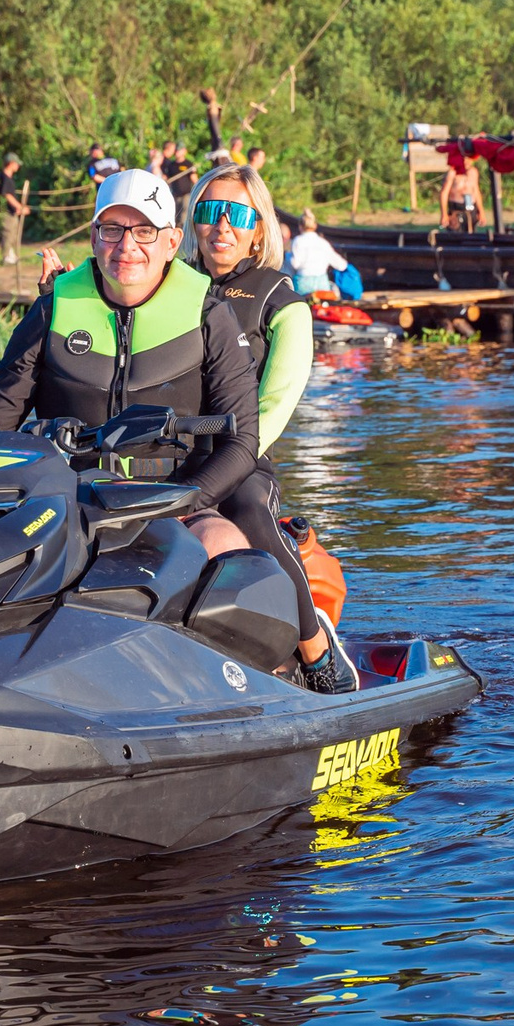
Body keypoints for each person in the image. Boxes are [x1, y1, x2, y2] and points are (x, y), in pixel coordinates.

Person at [0, 167, 273, 586]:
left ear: (171, 242)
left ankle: (308, 650)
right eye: (112, 229)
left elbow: (242, 443)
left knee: (227, 550)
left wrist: (180, 503)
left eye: (144, 231)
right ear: (94, 237)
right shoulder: (50, 312)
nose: (126, 246)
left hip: (177, 500)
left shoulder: (211, 317)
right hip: (67, 504)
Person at [183, 165, 357, 692]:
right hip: (173, 453)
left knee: (248, 509)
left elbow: (276, 403)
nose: (221, 227)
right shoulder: (169, 286)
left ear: (259, 228)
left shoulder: (283, 303)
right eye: (209, 212)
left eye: (236, 214)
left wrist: (236, 454)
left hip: (244, 455)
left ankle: (317, 649)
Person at [284, 209, 350, 297]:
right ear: (315, 226)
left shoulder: (297, 241)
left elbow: (295, 264)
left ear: (300, 226)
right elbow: (341, 265)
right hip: (322, 284)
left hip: (303, 283)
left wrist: (287, 256)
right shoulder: (323, 242)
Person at [0, 152, 29, 265]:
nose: (18, 166)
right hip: (6, 212)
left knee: (13, 235)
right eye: (16, 163)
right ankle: (6, 257)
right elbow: (7, 195)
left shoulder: (8, 178)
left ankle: (11, 255)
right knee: (8, 233)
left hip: (12, 211)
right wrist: (20, 207)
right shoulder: (5, 178)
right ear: (11, 163)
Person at [438, 159, 481, 232]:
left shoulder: (473, 172)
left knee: (472, 235)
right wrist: (444, 214)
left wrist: (481, 212)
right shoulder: (452, 172)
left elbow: (476, 191)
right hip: (456, 208)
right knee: (456, 235)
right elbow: (444, 193)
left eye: (469, 159)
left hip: (471, 207)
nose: (466, 162)